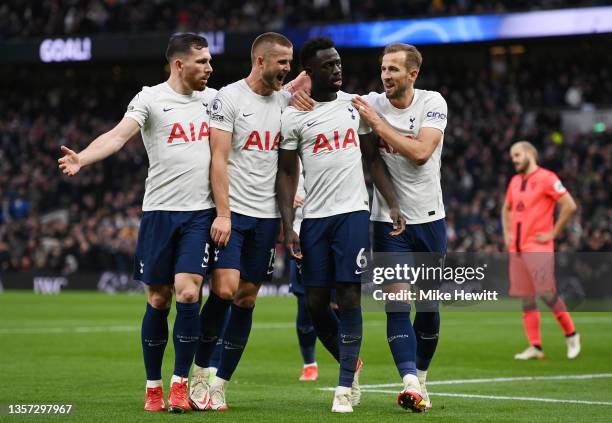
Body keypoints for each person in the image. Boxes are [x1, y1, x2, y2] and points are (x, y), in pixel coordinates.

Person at [58, 33, 216, 413]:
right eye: (203, 62)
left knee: (189, 293)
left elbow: (255, 97)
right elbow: (117, 136)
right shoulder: (150, 98)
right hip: (159, 212)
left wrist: (293, 83)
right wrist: (83, 158)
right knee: (159, 299)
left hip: (200, 213)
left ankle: (180, 384)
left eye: (211, 62)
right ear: (180, 64)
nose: (210, 68)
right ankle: (152, 387)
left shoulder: (215, 101)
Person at [277, 37, 405, 413]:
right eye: (328, 65)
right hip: (313, 219)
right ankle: (351, 361)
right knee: (316, 306)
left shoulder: (355, 106)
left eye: (338, 63)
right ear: (309, 73)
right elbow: (286, 173)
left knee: (348, 297)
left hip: (352, 214)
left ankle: (345, 386)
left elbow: (373, 161)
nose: (337, 69)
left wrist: (393, 202)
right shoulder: (293, 115)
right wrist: (288, 225)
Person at [188, 32, 307, 411]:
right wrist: (222, 213)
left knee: (247, 298)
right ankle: (200, 372)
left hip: (268, 216)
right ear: (260, 61)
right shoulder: (229, 98)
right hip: (233, 213)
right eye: (281, 62)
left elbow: (291, 160)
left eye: (290, 63)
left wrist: (293, 202)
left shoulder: (287, 102)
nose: (286, 69)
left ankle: (221, 384)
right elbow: (217, 159)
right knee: (224, 290)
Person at [351, 43, 448, 411]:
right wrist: (391, 203)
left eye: (393, 69)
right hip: (388, 224)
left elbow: (422, 153)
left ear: (413, 74)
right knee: (397, 305)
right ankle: (409, 381)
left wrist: (378, 124)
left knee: (427, 308)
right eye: (383, 68)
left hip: (431, 221)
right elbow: (372, 159)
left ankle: (421, 378)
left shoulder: (432, 102)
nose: (386, 76)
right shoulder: (371, 103)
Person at [502, 141, 580, 360]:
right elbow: (506, 208)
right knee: (526, 298)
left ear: (529, 153)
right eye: (512, 156)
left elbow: (569, 205)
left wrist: (553, 233)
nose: (514, 160)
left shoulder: (547, 178)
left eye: (517, 155)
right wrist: (508, 233)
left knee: (546, 293)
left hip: (537, 246)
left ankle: (571, 334)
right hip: (517, 248)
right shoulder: (515, 181)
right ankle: (535, 346)